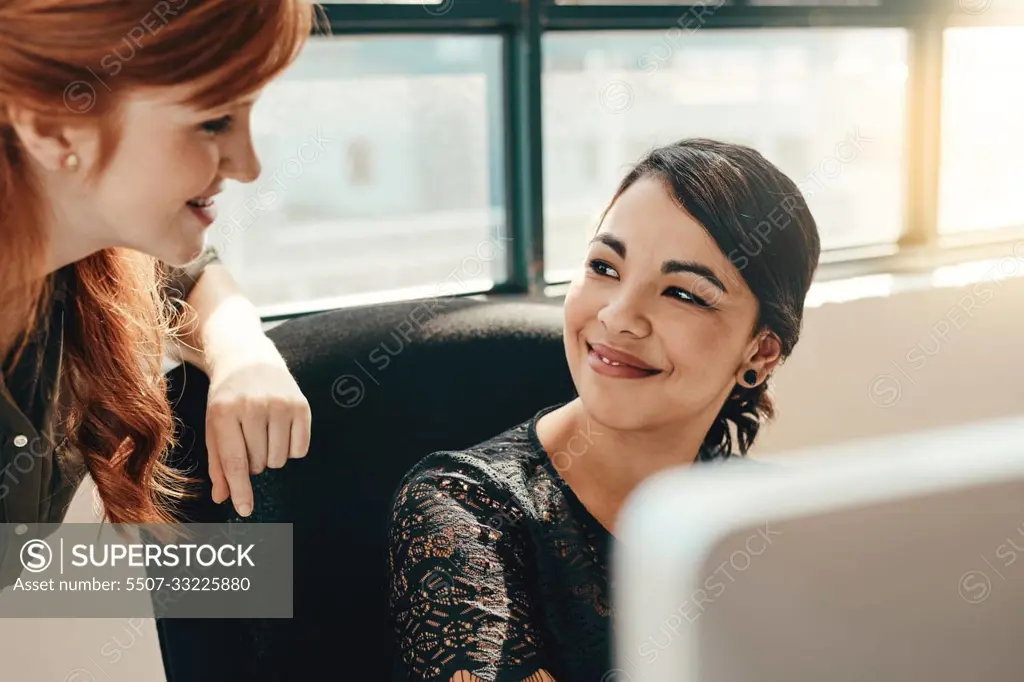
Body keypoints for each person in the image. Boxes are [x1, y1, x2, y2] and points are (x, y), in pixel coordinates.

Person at [387, 139, 821, 682]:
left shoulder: (776, 520)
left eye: (683, 294)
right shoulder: (462, 511)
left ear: (759, 352)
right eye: (604, 266)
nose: (619, 317)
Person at [0, 0, 322, 583]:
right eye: (214, 121)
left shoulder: (90, 257)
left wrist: (242, 354)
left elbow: (195, 275)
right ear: (51, 127)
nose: (248, 166)